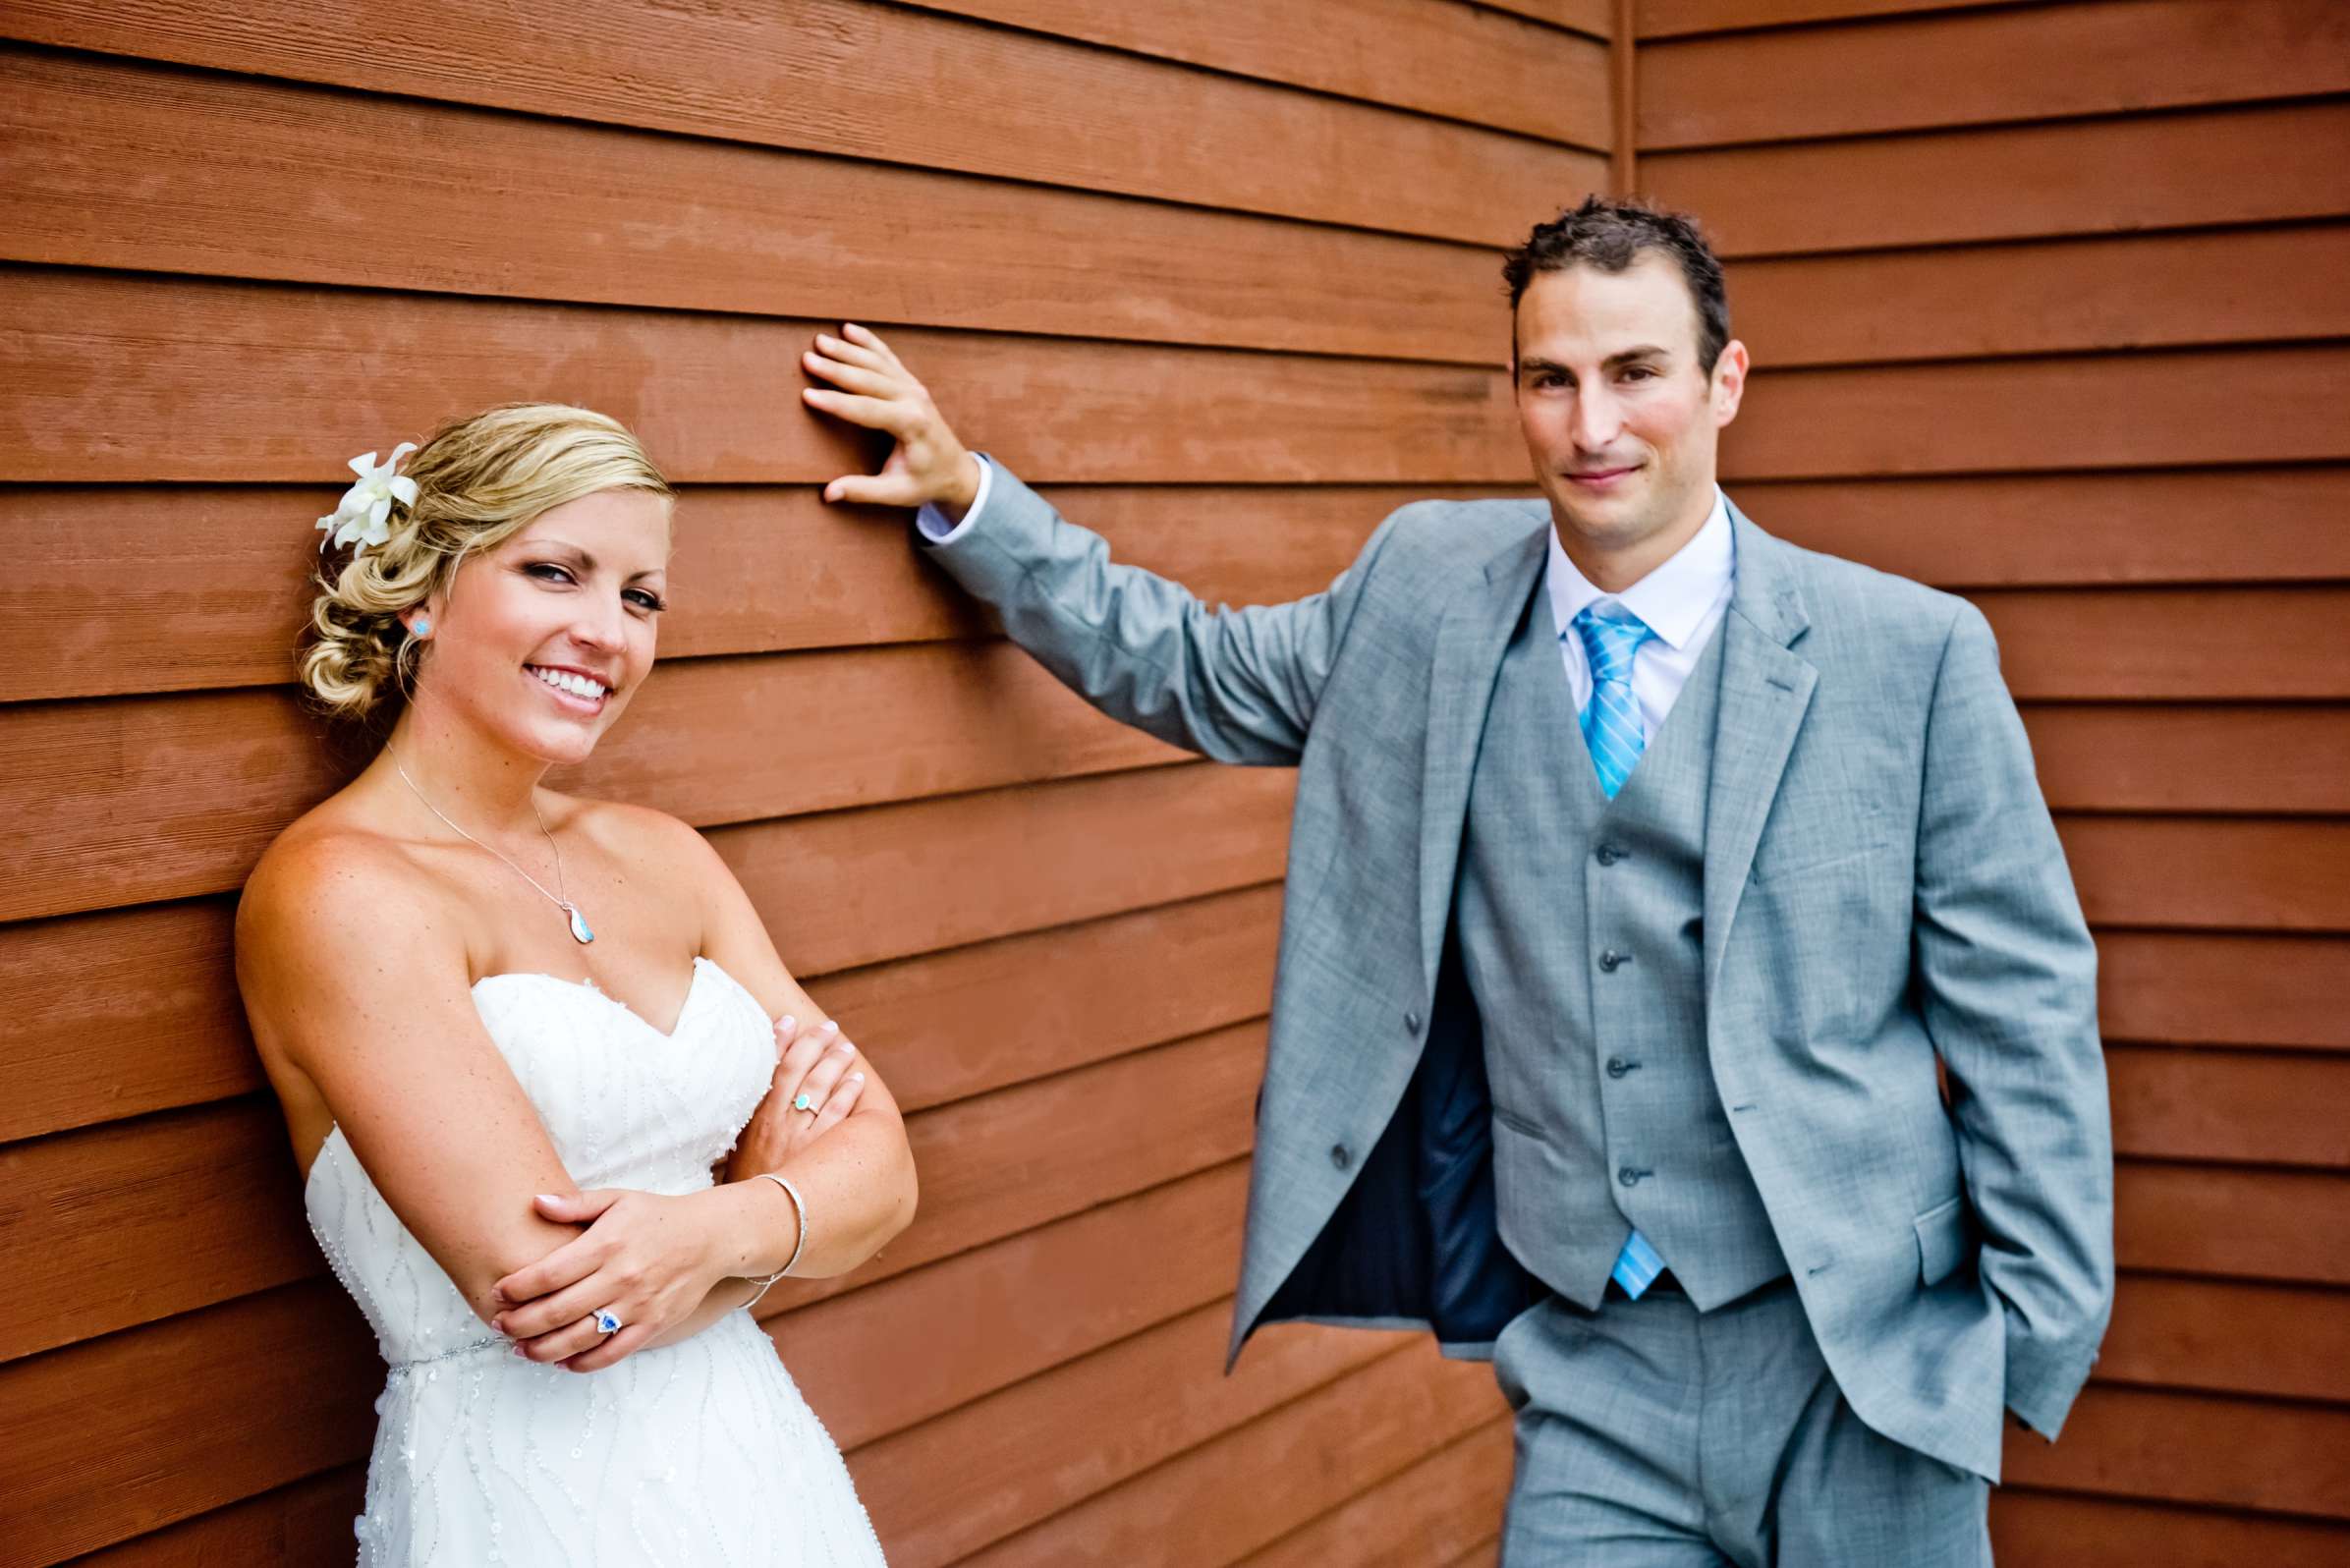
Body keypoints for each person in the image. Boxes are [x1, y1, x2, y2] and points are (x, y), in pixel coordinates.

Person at [801, 197, 2113, 1564]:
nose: (1591, 426)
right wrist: (968, 496)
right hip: (1594, 1369)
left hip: (1864, 1361)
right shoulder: (1423, 591)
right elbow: (1193, 667)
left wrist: (2021, 1342)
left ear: (1726, 379)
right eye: (1551, 380)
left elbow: (2023, 1015)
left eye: (1634, 373)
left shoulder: (1909, 654)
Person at [236, 404, 912, 1565]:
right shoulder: (341, 892)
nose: (609, 632)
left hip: (757, 1465)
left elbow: (887, 1170)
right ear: (424, 590)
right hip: (528, 1499)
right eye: (558, 573)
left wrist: (725, 1224)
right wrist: (780, 1210)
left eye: (641, 596)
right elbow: (559, 1302)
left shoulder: (666, 856)